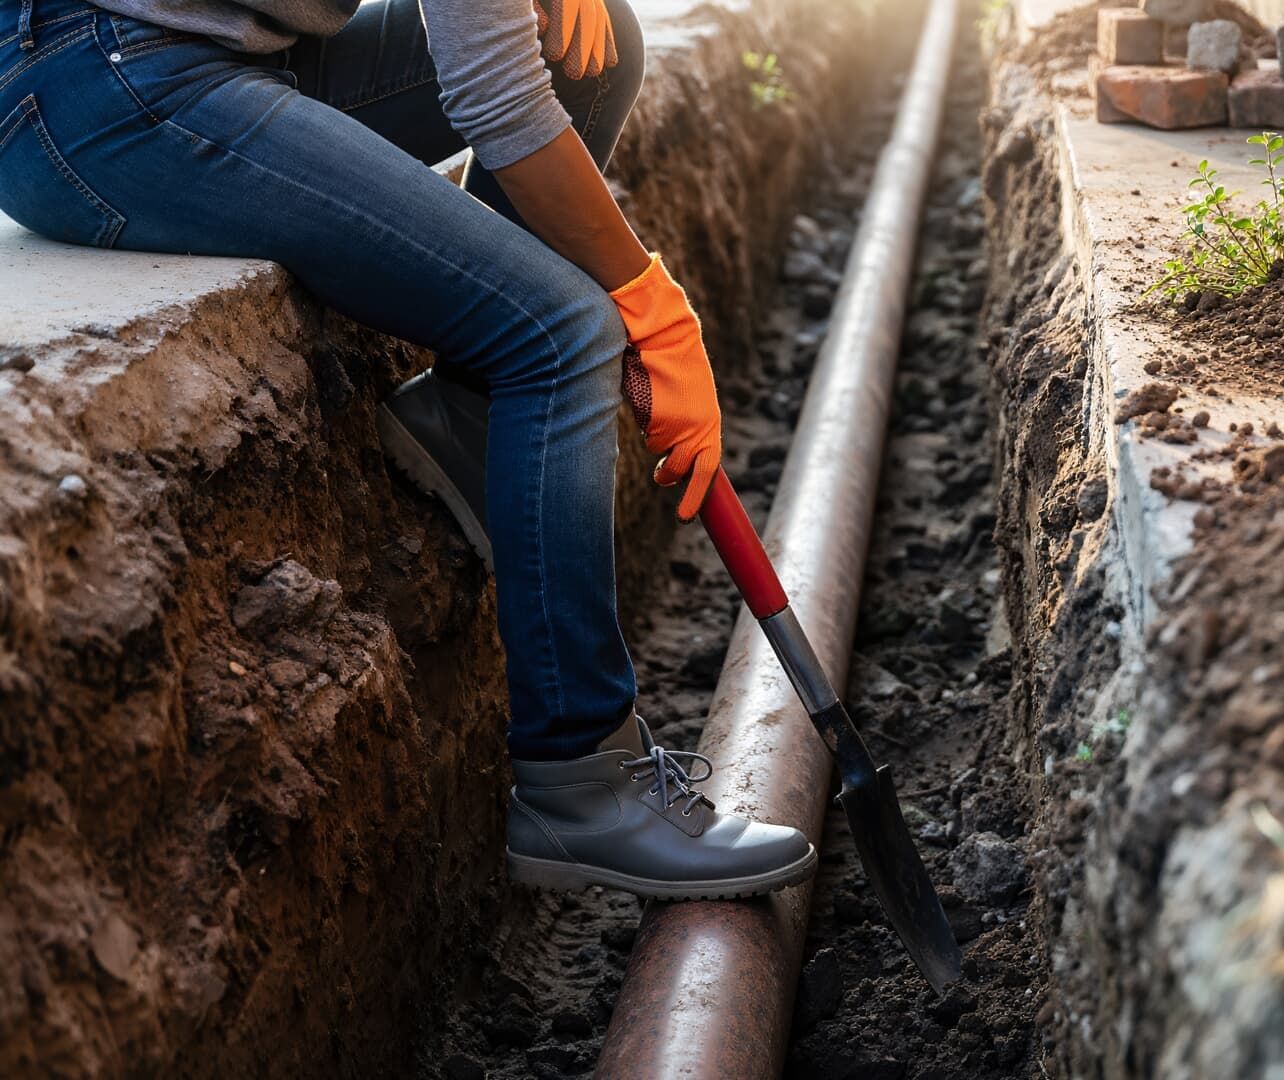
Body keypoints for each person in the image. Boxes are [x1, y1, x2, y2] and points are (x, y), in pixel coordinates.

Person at [0, 0, 816, 899]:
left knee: (592, 42)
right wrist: (651, 304)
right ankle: (581, 783)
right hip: (98, 88)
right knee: (563, 333)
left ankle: (471, 422)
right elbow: (498, 100)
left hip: (213, 48)